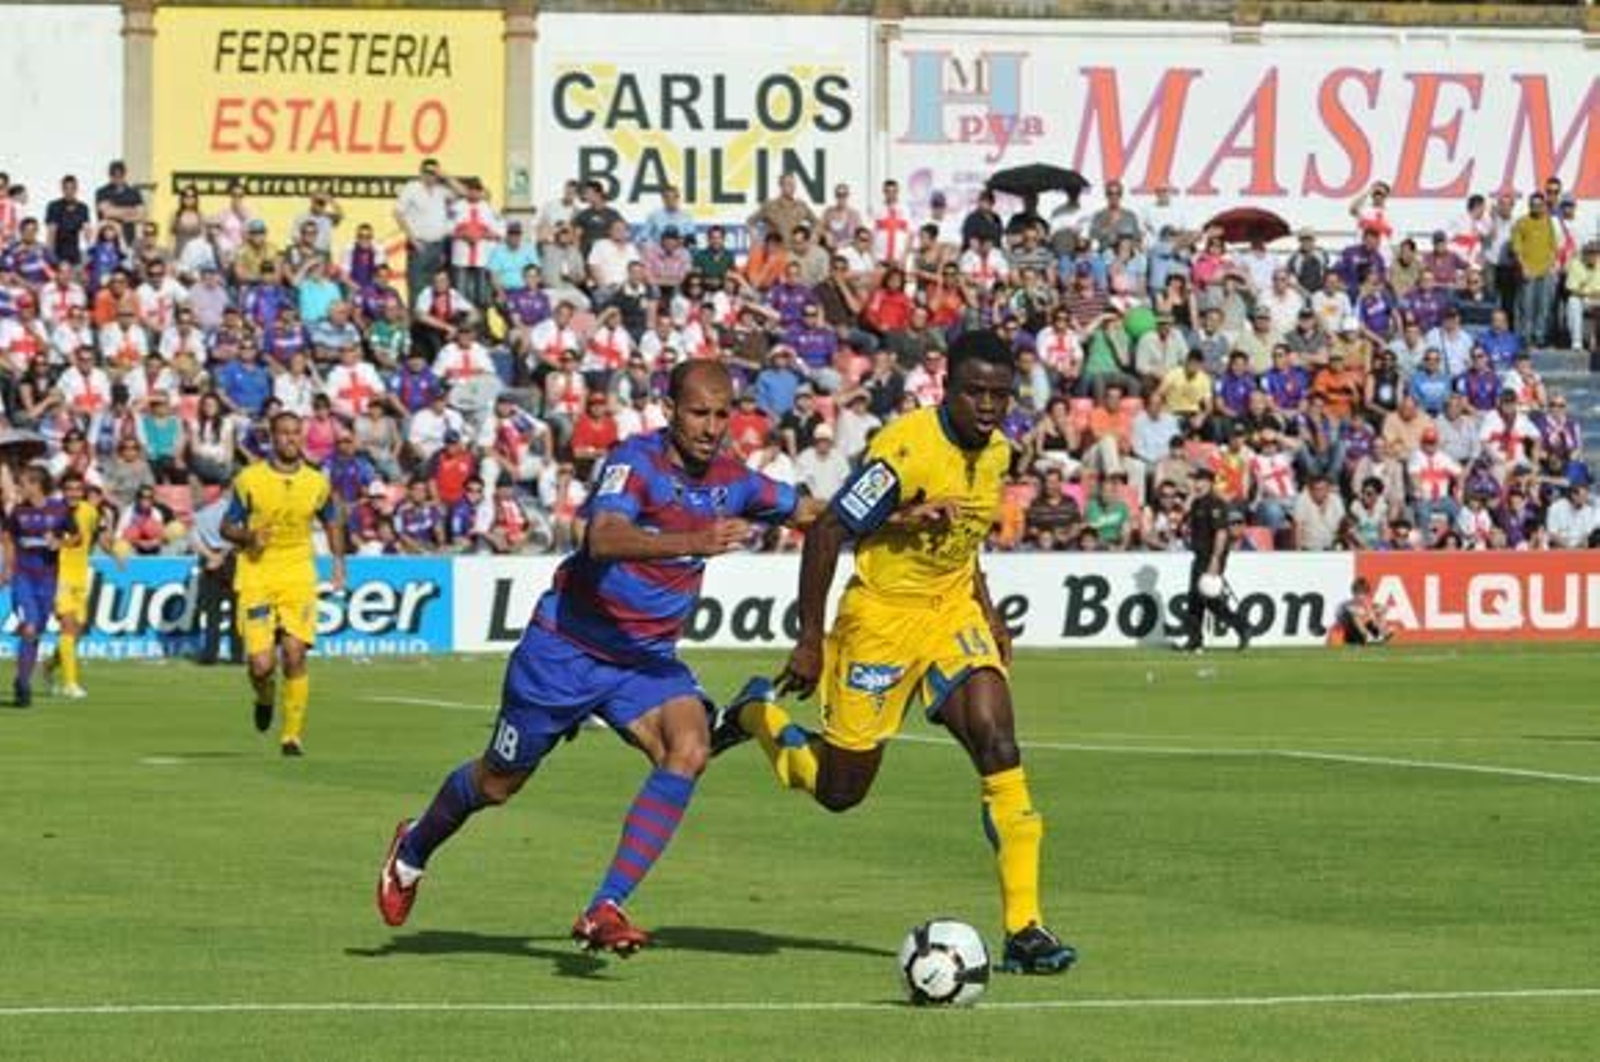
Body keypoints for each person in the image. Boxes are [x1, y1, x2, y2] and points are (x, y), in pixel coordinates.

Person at [375, 361, 823, 953]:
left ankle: (604, 908)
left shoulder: (734, 479)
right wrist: (693, 542)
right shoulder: (633, 462)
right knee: (498, 783)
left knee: (687, 750)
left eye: (722, 414)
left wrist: (894, 512)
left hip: (643, 663)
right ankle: (412, 849)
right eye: (698, 412)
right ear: (670, 410)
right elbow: (602, 538)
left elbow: (816, 514)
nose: (712, 426)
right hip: (564, 651)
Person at [714, 330, 1078, 976]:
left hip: (950, 615)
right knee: (838, 791)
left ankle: (1026, 928)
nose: (989, 407)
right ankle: (755, 713)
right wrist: (809, 640)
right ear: (948, 390)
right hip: (879, 619)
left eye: (1000, 394)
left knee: (999, 744)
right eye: (975, 393)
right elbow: (828, 531)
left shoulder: (997, 453)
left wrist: (988, 614)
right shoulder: (904, 452)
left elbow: (967, 541)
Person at [221, 412, 347, 756]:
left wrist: (338, 563)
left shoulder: (316, 482)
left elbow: (332, 520)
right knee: (261, 665)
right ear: (272, 438)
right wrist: (248, 535)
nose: (290, 439)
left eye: (295, 433)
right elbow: (226, 527)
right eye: (283, 433)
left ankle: (291, 736)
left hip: (297, 576)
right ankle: (264, 697)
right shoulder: (250, 479)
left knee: (294, 653)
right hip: (256, 575)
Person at [2, 467, 76, 706]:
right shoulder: (18, 511)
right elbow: (8, 537)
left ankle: (21, 679)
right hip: (23, 578)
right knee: (30, 628)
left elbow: (77, 537)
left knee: (36, 634)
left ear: (36, 485)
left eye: (22, 482)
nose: (18, 486)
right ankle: (24, 686)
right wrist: (9, 567)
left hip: (48, 580)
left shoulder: (59, 509)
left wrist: (60, 541)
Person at [42, 472, 102, 698]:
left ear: (83, 490)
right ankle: (70, 683)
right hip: (59, 577)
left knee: (77, 632)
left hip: (80, 577)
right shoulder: (53, 513)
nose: (73, 493)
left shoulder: (90, 511)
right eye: (69, 489)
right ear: (62, 490)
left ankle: (48, 665)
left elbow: (94, 536)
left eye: (77, 489)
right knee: (67, 626)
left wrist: (114, 550)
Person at [1179, 466, 1250, 652]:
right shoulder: (1196, 503)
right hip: (1199, 555)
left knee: (1208, 598)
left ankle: (1241, 626)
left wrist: (1216, 559)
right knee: (1195, 599)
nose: (1197, 484)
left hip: (1211, 556)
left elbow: (1221, 533)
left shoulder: (1216, 504)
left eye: (1201, 480)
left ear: (1210, 483)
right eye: (1195, 480)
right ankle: (1195, 640)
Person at [1337, 578, 1395, 646]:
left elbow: (1381, 609)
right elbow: (1344, 616)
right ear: (1354, 593)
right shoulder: (1347, 604)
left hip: (1371, 629)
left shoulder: (1371, 605)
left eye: (1364, 593)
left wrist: (1378, 611)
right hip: (1354, 634)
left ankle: (1384, 634)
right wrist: (1369, 613)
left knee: (1379, 613)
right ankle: (1368, 637)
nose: (1362, 596)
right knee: (1356, 616)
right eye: (1359, 593)